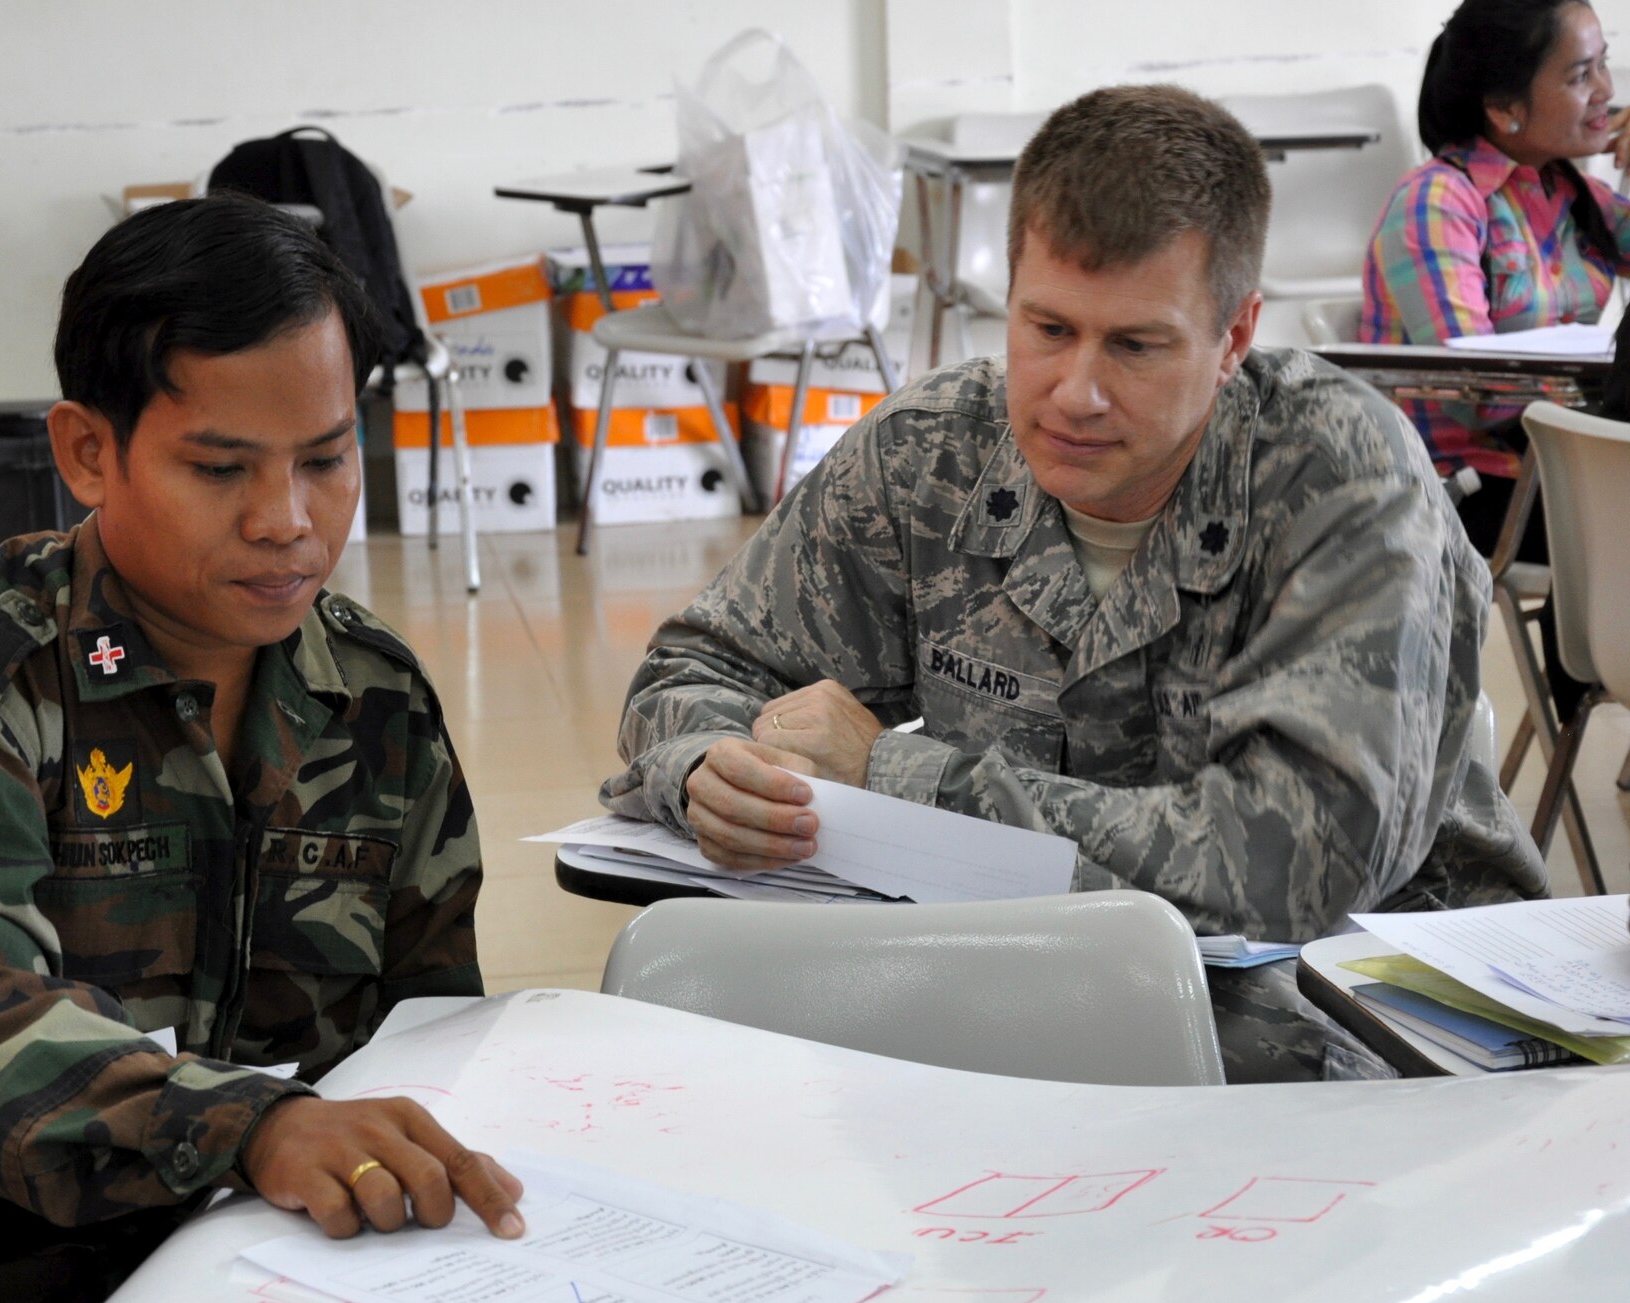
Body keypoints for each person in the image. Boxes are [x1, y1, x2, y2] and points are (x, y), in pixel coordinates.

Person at [602, 84, 1548, 1085]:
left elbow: (1278, 869)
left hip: (1378, 1035)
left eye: (1134, 345)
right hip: (1040, 1004)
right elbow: (695, 668)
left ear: (1233, 337)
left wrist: (892, 777)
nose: (1075, 392)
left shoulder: (1340, 478)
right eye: (1045, 328)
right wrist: (708, 765)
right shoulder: (933, 454)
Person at [0, 193, 521, 1303]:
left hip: (280, 1277)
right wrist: (251, 1128)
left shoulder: (373, 696)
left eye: (324, 458)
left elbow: (429, 1035)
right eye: (220, 470)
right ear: (86, 450)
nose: (287, 519)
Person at [1363, 0, 1630, 722]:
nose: (1607, 90)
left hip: (1561, 477)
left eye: (1604, 63)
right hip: (1474, 494)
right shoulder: (1438, 202)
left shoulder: (1577, 197)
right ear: (1506, 107)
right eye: (1581, 74)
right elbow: (1470, 392)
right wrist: (1588, 404)